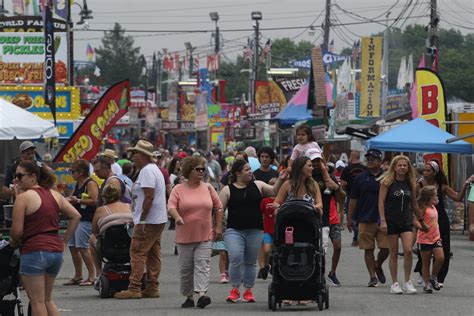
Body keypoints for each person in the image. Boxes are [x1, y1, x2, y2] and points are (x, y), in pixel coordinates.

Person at [9, 161, 81, 316]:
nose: (16, 179)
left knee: (37, 301)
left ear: (33, 176)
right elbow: (76, 215)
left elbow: (16, 232)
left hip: (34, 250)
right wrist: (64, 242)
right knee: (47, 300)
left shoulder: (24, 198)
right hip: (55, 251)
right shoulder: (55, 195)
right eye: (15, 176)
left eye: (20, 175)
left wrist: (12, 244)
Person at [219, 159, 282, 303]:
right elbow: (219, 209)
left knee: (250, 262)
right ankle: (235, 289)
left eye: (250, 169)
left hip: (255, 229)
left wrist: (281, 179)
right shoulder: (227, 189)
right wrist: (217, 227)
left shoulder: (258, 185)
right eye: (247, 170)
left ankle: (248, 290)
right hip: (234, 230)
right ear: (237, 173)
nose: (250, 172)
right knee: (235, 258)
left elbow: (273, 191)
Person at [168, 156, 223, 309]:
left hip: (205, 234)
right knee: (186, 269)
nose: (201, 172)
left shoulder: (208, 187)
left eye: (203, 169)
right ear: (188, 170)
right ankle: (189, 296)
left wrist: (218, 226)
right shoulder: (178, 189)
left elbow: (218, 207)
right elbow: (171, 206)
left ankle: (202, 295)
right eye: (198, 169)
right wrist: (177, 217)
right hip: (184, 236)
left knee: (202, 264)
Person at [114, 140, 167, 299]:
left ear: (143, 155)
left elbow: (148, 197)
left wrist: (141, 220)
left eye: (135, 154)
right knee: (152, 252)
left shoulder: (147, 171)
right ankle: (152, 285)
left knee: (137, 252)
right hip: (156, 218)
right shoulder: (153, 169)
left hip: (149, 220)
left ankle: (135, 287)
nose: (132, 157)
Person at [270, 156, 321, 305]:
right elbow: (276, 202)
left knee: (308, 253)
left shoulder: (313, 185)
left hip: (308, 227)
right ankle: (285, 288)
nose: (312, 168)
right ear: (301, 168)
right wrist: (276, 208)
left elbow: (319, 203)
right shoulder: (288, 185)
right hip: (289, 227)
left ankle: (308, 287)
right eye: (309, 166)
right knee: (287, 253)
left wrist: (317, 208)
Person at [413, 160, 473, 286]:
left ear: (435, 172)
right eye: (424, 170)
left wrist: (464, 187)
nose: (425, 173)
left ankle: (438, 278)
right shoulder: (419, 184)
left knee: (443, 248)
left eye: (428, 170)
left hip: (441, 219)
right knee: (424, 247)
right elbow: (414, 202)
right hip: (425, 218)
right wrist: (417, 219)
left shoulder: (442, 186)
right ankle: (423, 272)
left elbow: (457, 198)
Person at [378, 155, 428, 295]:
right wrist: (382, 220)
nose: (402, 168)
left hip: (405, 221)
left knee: (408, 250)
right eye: (399, 165)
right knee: (393, 252)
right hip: (391, 220)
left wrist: (421, 222)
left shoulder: (410, 183)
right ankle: (394, 283)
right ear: (394, 167)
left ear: (408, 168)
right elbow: (381, 202)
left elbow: (414, 204)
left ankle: (408, 281)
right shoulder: (387, 182)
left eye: (405, 165)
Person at [348, 149, 389, 287]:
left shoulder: (387, 177)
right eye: (368, 159)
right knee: (368, 248)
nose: (370, 161)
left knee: (386, 247)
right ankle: (372, 276)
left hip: (383, 218)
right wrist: (349, 218)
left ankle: (378, 264)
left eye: (373, 159)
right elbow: (353, 199)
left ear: (380, 161)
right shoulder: (360, 177)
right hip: (365, 217)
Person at [306, 150, 344, 287]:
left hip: (326, 219)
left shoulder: (329, 177)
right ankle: (312, 275)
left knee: (333, 247)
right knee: (312, 250)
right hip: (308, 219)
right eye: (312, 161)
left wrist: (336, 188)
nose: (315, 164)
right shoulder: (304, 177)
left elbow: (340, 199)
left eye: (318, 161)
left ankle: (330, 273)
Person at [63, 159, 99, 286]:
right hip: (77, 218)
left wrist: (78, 201)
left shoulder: (90, 183)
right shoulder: (78, 183)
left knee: (83, 247)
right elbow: (71, 198)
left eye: (74, 171)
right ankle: (78, 275)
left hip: (86, 219)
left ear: (81, 171)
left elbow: (94, 200)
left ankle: (91, 276)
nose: (72, 174)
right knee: (73, 247)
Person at [90, 185, 133, 281]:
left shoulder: (100, 210)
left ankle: (98, 271)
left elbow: (95, 231)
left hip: (109, 247)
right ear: (119, 195)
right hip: (130, 246)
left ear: (104, 196)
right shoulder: (128, 206)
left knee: (92, 238)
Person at [414, 186, 444, 294]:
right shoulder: (423, 208)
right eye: (435, 195)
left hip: (436, 237)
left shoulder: (433, 207)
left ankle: (433, 277)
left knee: (440, 258)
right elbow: (415, 220)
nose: (437, 197)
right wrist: (421, 226)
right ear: (429, 198)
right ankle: (427, 285)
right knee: (426, 263)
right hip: (424, 239)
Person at [341, 150, 367, 247]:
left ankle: (357, 234)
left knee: (351, 217)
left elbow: (343, 184)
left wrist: (344, 192)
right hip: (364, 196)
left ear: (352, 156)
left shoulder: (347, 169)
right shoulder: (365, 168)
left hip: (351, 196)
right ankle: (357, 236)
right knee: (361, 216)